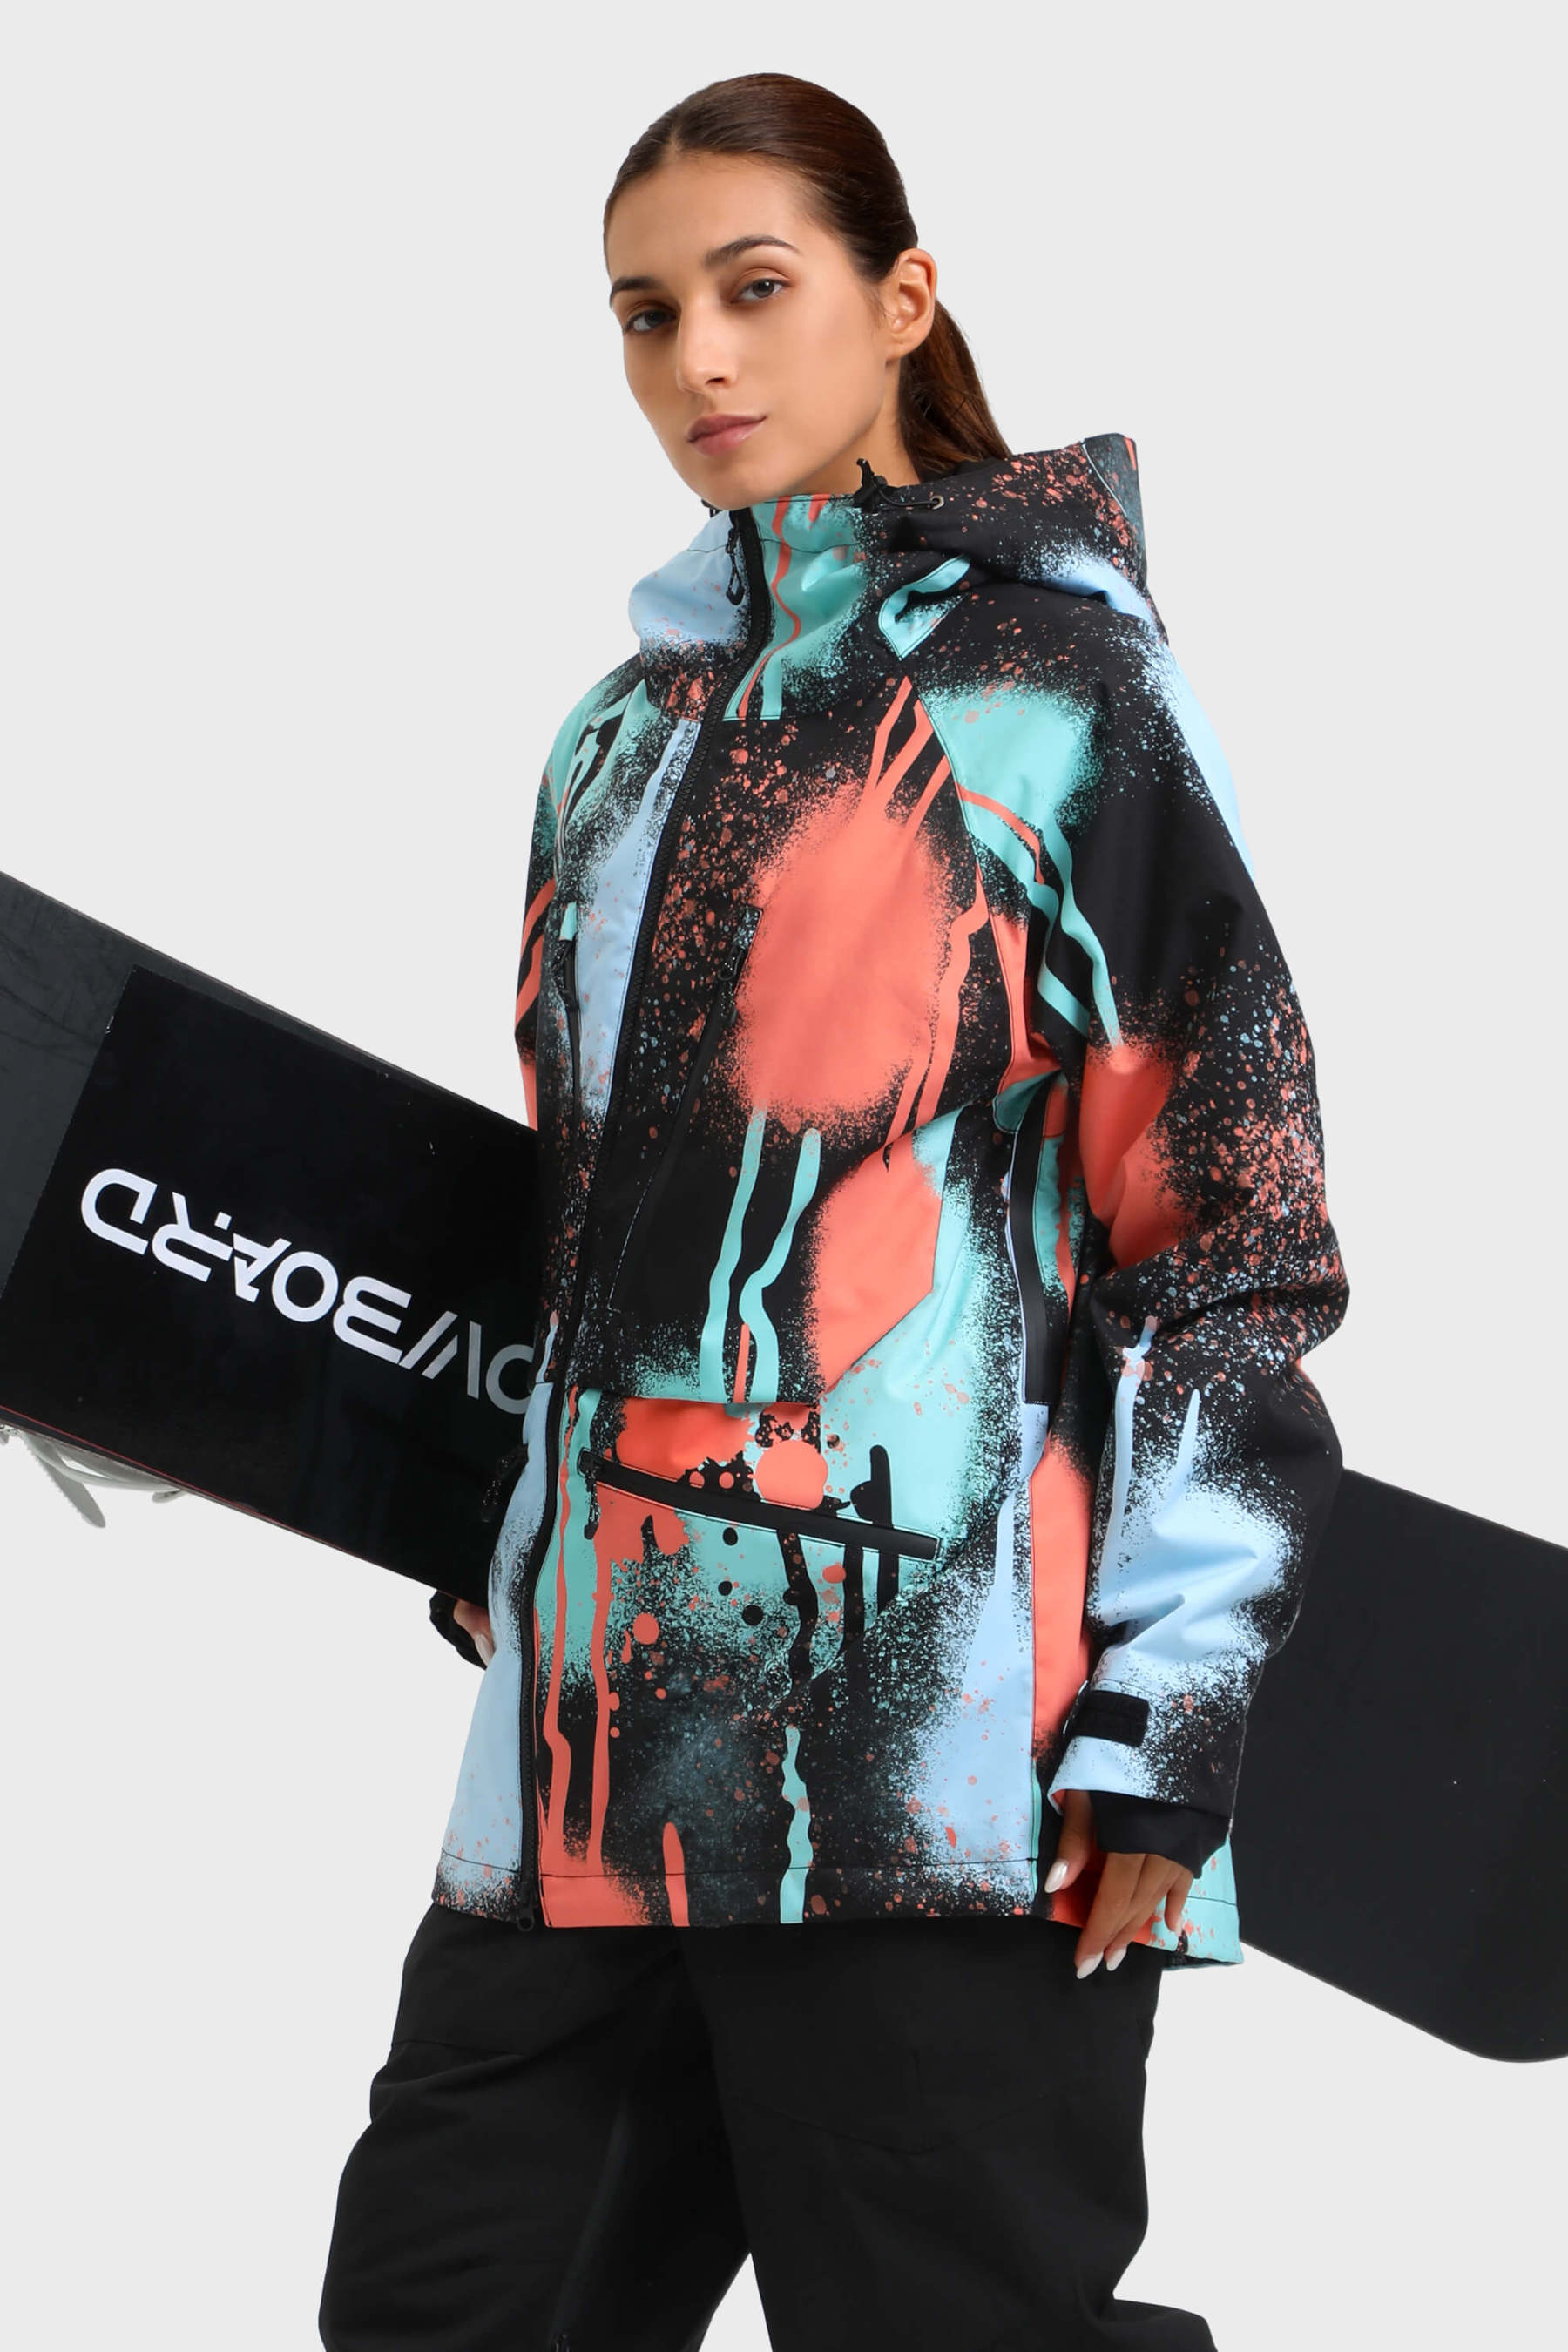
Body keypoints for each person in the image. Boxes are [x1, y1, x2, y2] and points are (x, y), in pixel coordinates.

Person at [319, 68, 1349, 2352]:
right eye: (645, 312)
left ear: (900, 300)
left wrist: (1168, 1713)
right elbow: (598, 1236)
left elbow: (1229, 1229)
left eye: (755, 288)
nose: (698, 356)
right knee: (433, 2310)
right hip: (584, 1756)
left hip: (932, 1764)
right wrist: (489, 1511)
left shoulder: (1061, 701)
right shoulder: (614, 741)